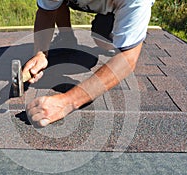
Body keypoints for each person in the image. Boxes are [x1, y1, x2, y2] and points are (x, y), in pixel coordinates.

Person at [24, 0, 155, 127]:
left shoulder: (137, 2)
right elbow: (47, 11)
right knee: (58, 3)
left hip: (113, 7)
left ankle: (115, 30)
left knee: (103, 40)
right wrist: (41, 54)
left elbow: (127, 59)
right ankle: (67, 37)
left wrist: (66, 102)